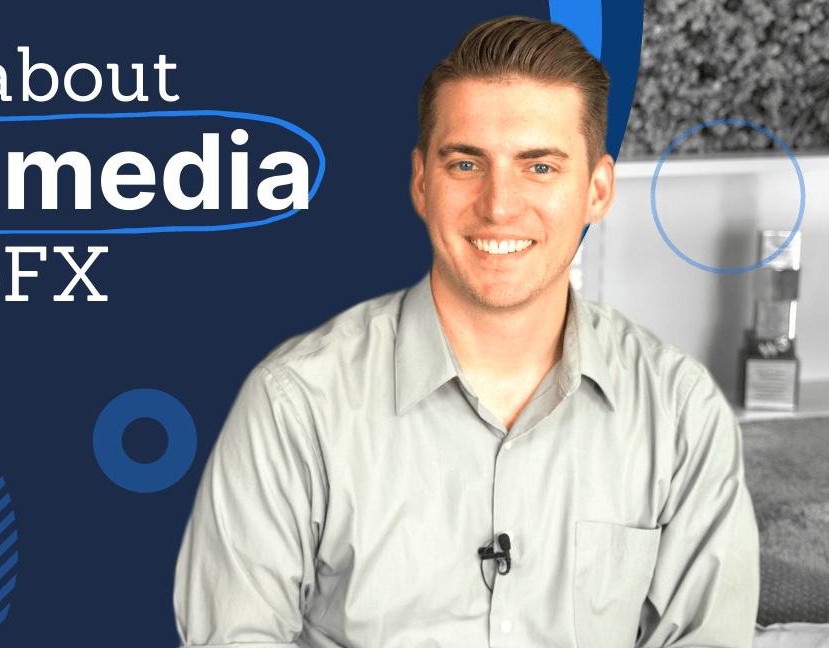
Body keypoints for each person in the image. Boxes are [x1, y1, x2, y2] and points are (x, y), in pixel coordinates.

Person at [173, 15, 759, 648]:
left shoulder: (680, 411)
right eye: (465, 164)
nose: (499, 204)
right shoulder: (294, 405)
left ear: (596, 190)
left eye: (539, 167)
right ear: (422, 182)